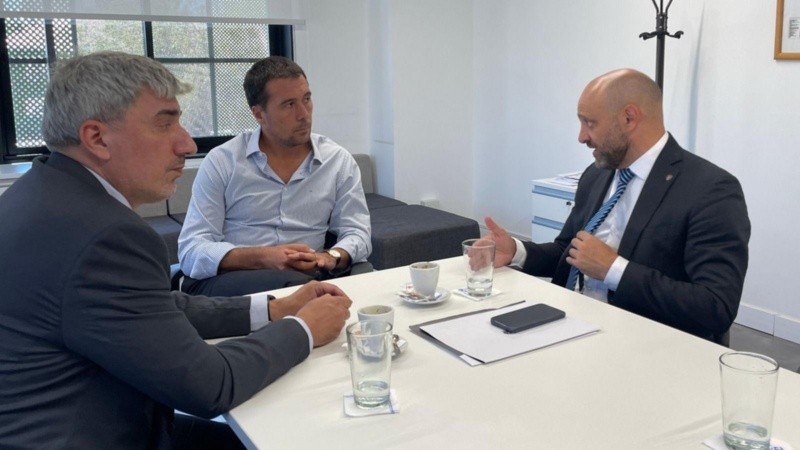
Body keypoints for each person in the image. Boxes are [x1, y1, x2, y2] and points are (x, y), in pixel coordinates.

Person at [0, 51, 352, 449]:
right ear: (96, 138)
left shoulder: (40, 193)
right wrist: (305, 328)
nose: (186, 144)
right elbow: (210, 386)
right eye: (165, 123)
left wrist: (273, 309)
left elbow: (150, 308)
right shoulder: (106, 234)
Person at [484, 68, 750, 344]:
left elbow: (715, 307)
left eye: (590, 123)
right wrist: (517, 251)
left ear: (629, 118)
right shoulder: (597, 175)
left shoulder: (710, 190)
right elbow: (570, 251)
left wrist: (613, 270)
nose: (581, 136)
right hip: (572, 328)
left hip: (647, 348)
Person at [177, 56, 372, 297]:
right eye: (289, 104)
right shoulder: (222, 161)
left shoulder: (337, 161)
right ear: (259, 114)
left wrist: (330, 257)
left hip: (309, 278)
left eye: (307, 99)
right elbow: (191, 249)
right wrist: (263, 257)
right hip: (237, 282)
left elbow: (358, 232)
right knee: (304, 292)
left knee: (365, 284)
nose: (304, 114)